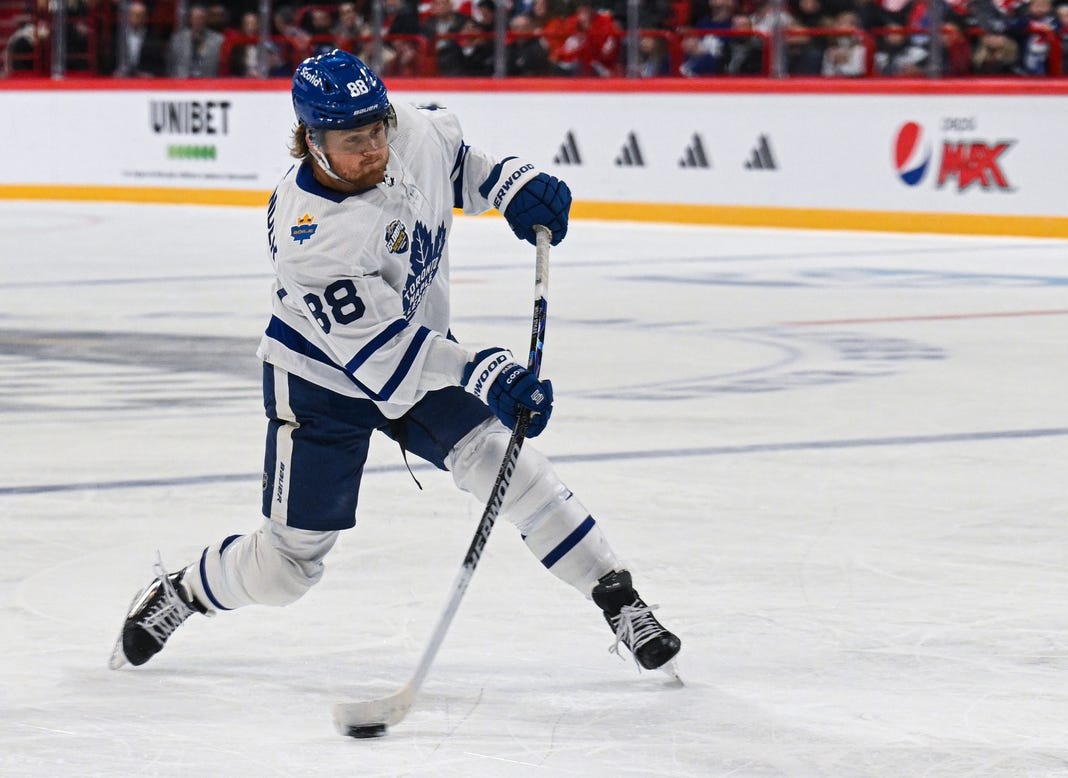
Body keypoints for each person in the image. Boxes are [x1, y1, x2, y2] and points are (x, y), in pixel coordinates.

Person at [108, 49, 681, 682]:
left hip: (420, 351)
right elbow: (381, 353)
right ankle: (184, 593)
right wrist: (482, 371)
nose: (374, 149)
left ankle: (620, 602)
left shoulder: (407, 131)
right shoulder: (310, 237)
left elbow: (462, 164)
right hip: (320, 379)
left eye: (378, 130)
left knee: (504, 463)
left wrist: (512, 184)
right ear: (310, 141)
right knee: (284, 570)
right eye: (354, 141)